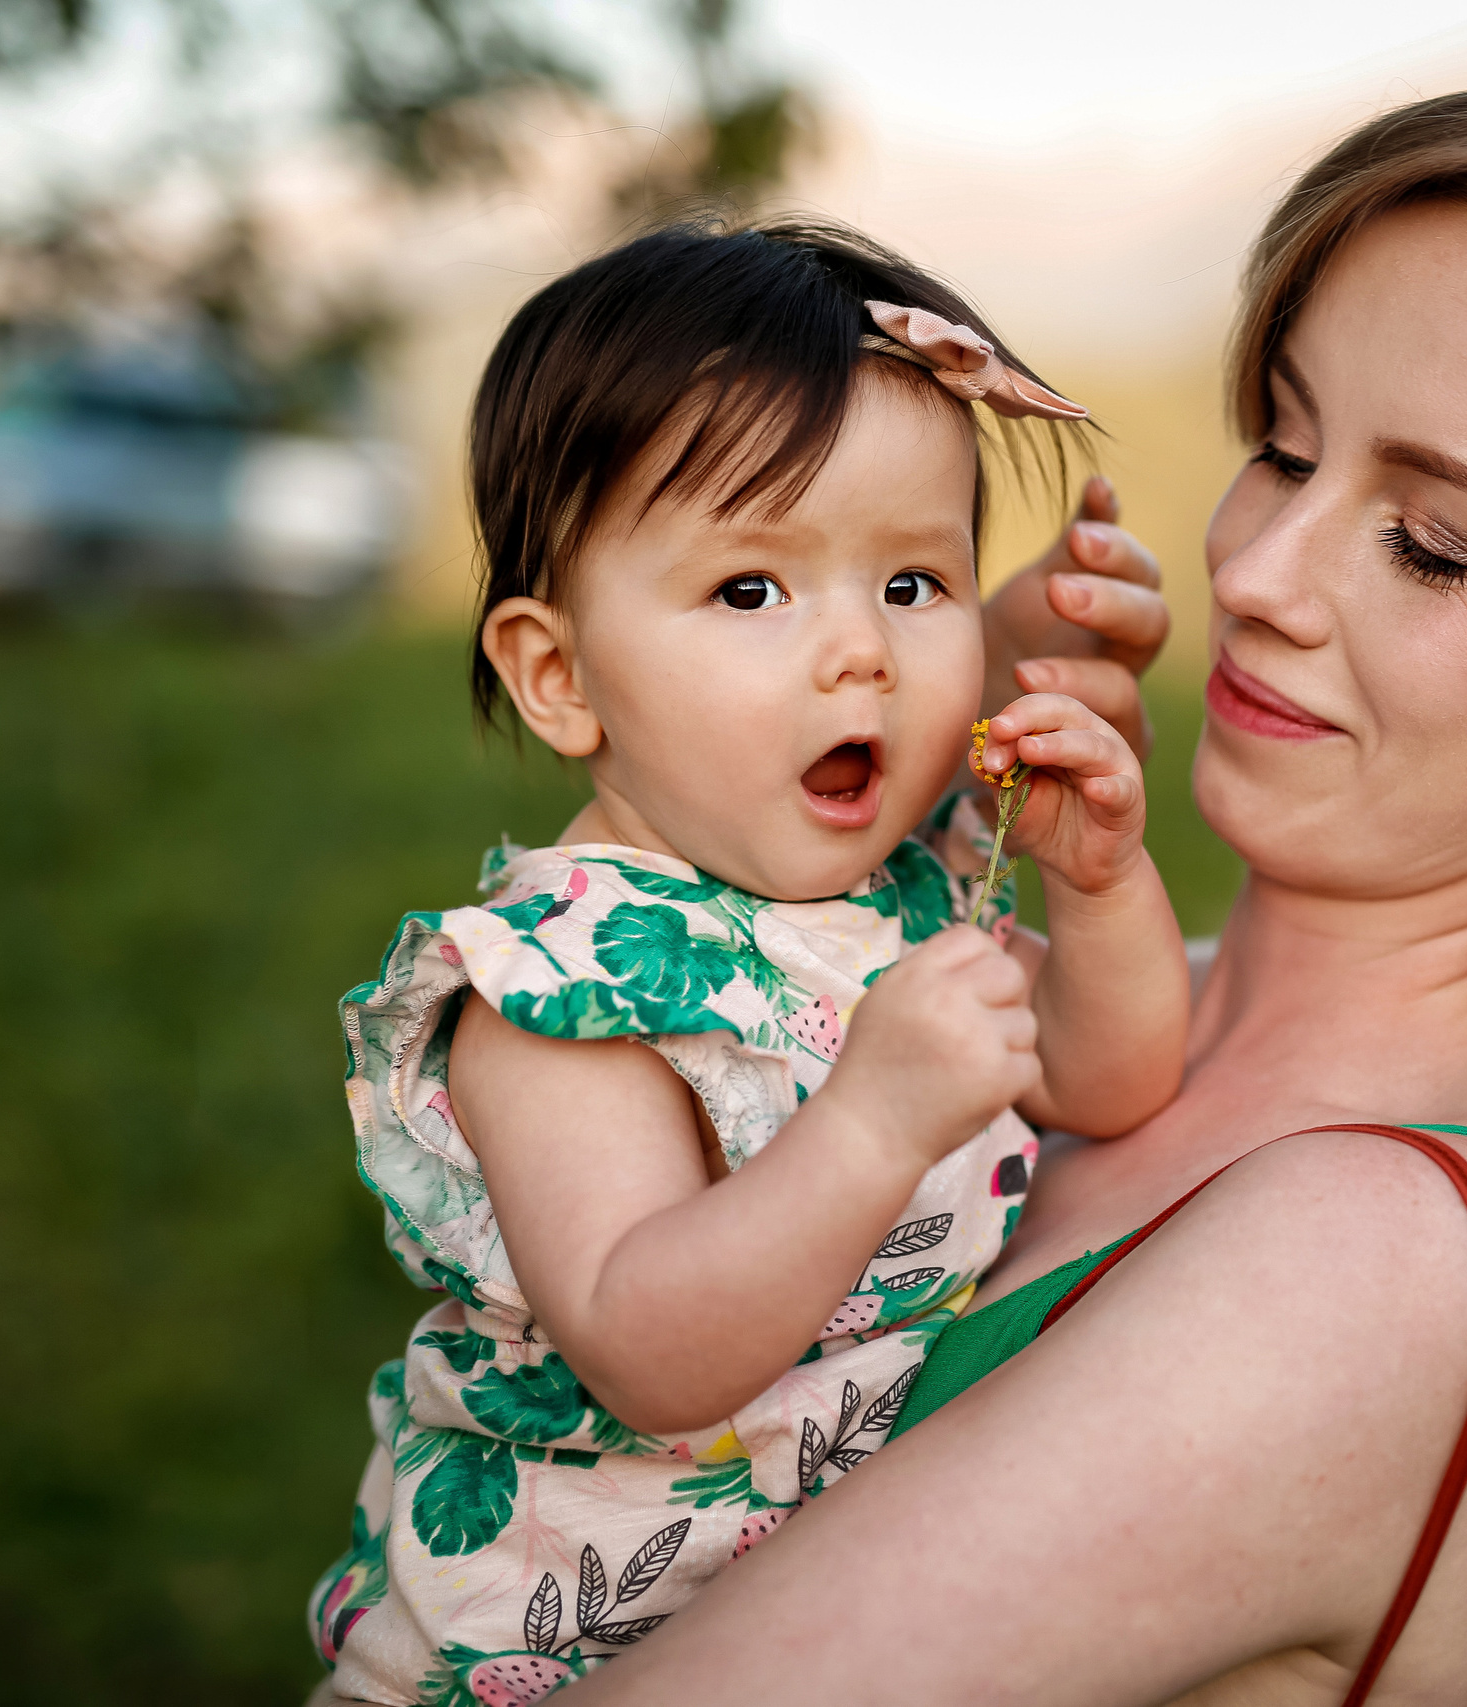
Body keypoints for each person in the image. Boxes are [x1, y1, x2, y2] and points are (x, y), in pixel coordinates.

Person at [556, 62, 1467, 1707]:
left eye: (1434, 547)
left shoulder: (1380, 1269)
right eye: (1283, 444)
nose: (1252, 576)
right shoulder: (1098, 1008)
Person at [307, 220, 1193, 1705]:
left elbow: (1110, 1079)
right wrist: (869, 1124)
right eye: (752, 593)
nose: (861, 655)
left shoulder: (905, 898)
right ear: (562, 676)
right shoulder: (564, 990)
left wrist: (1097, 888)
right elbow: (650, 1350)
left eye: (913, 584)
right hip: (535, 1665)